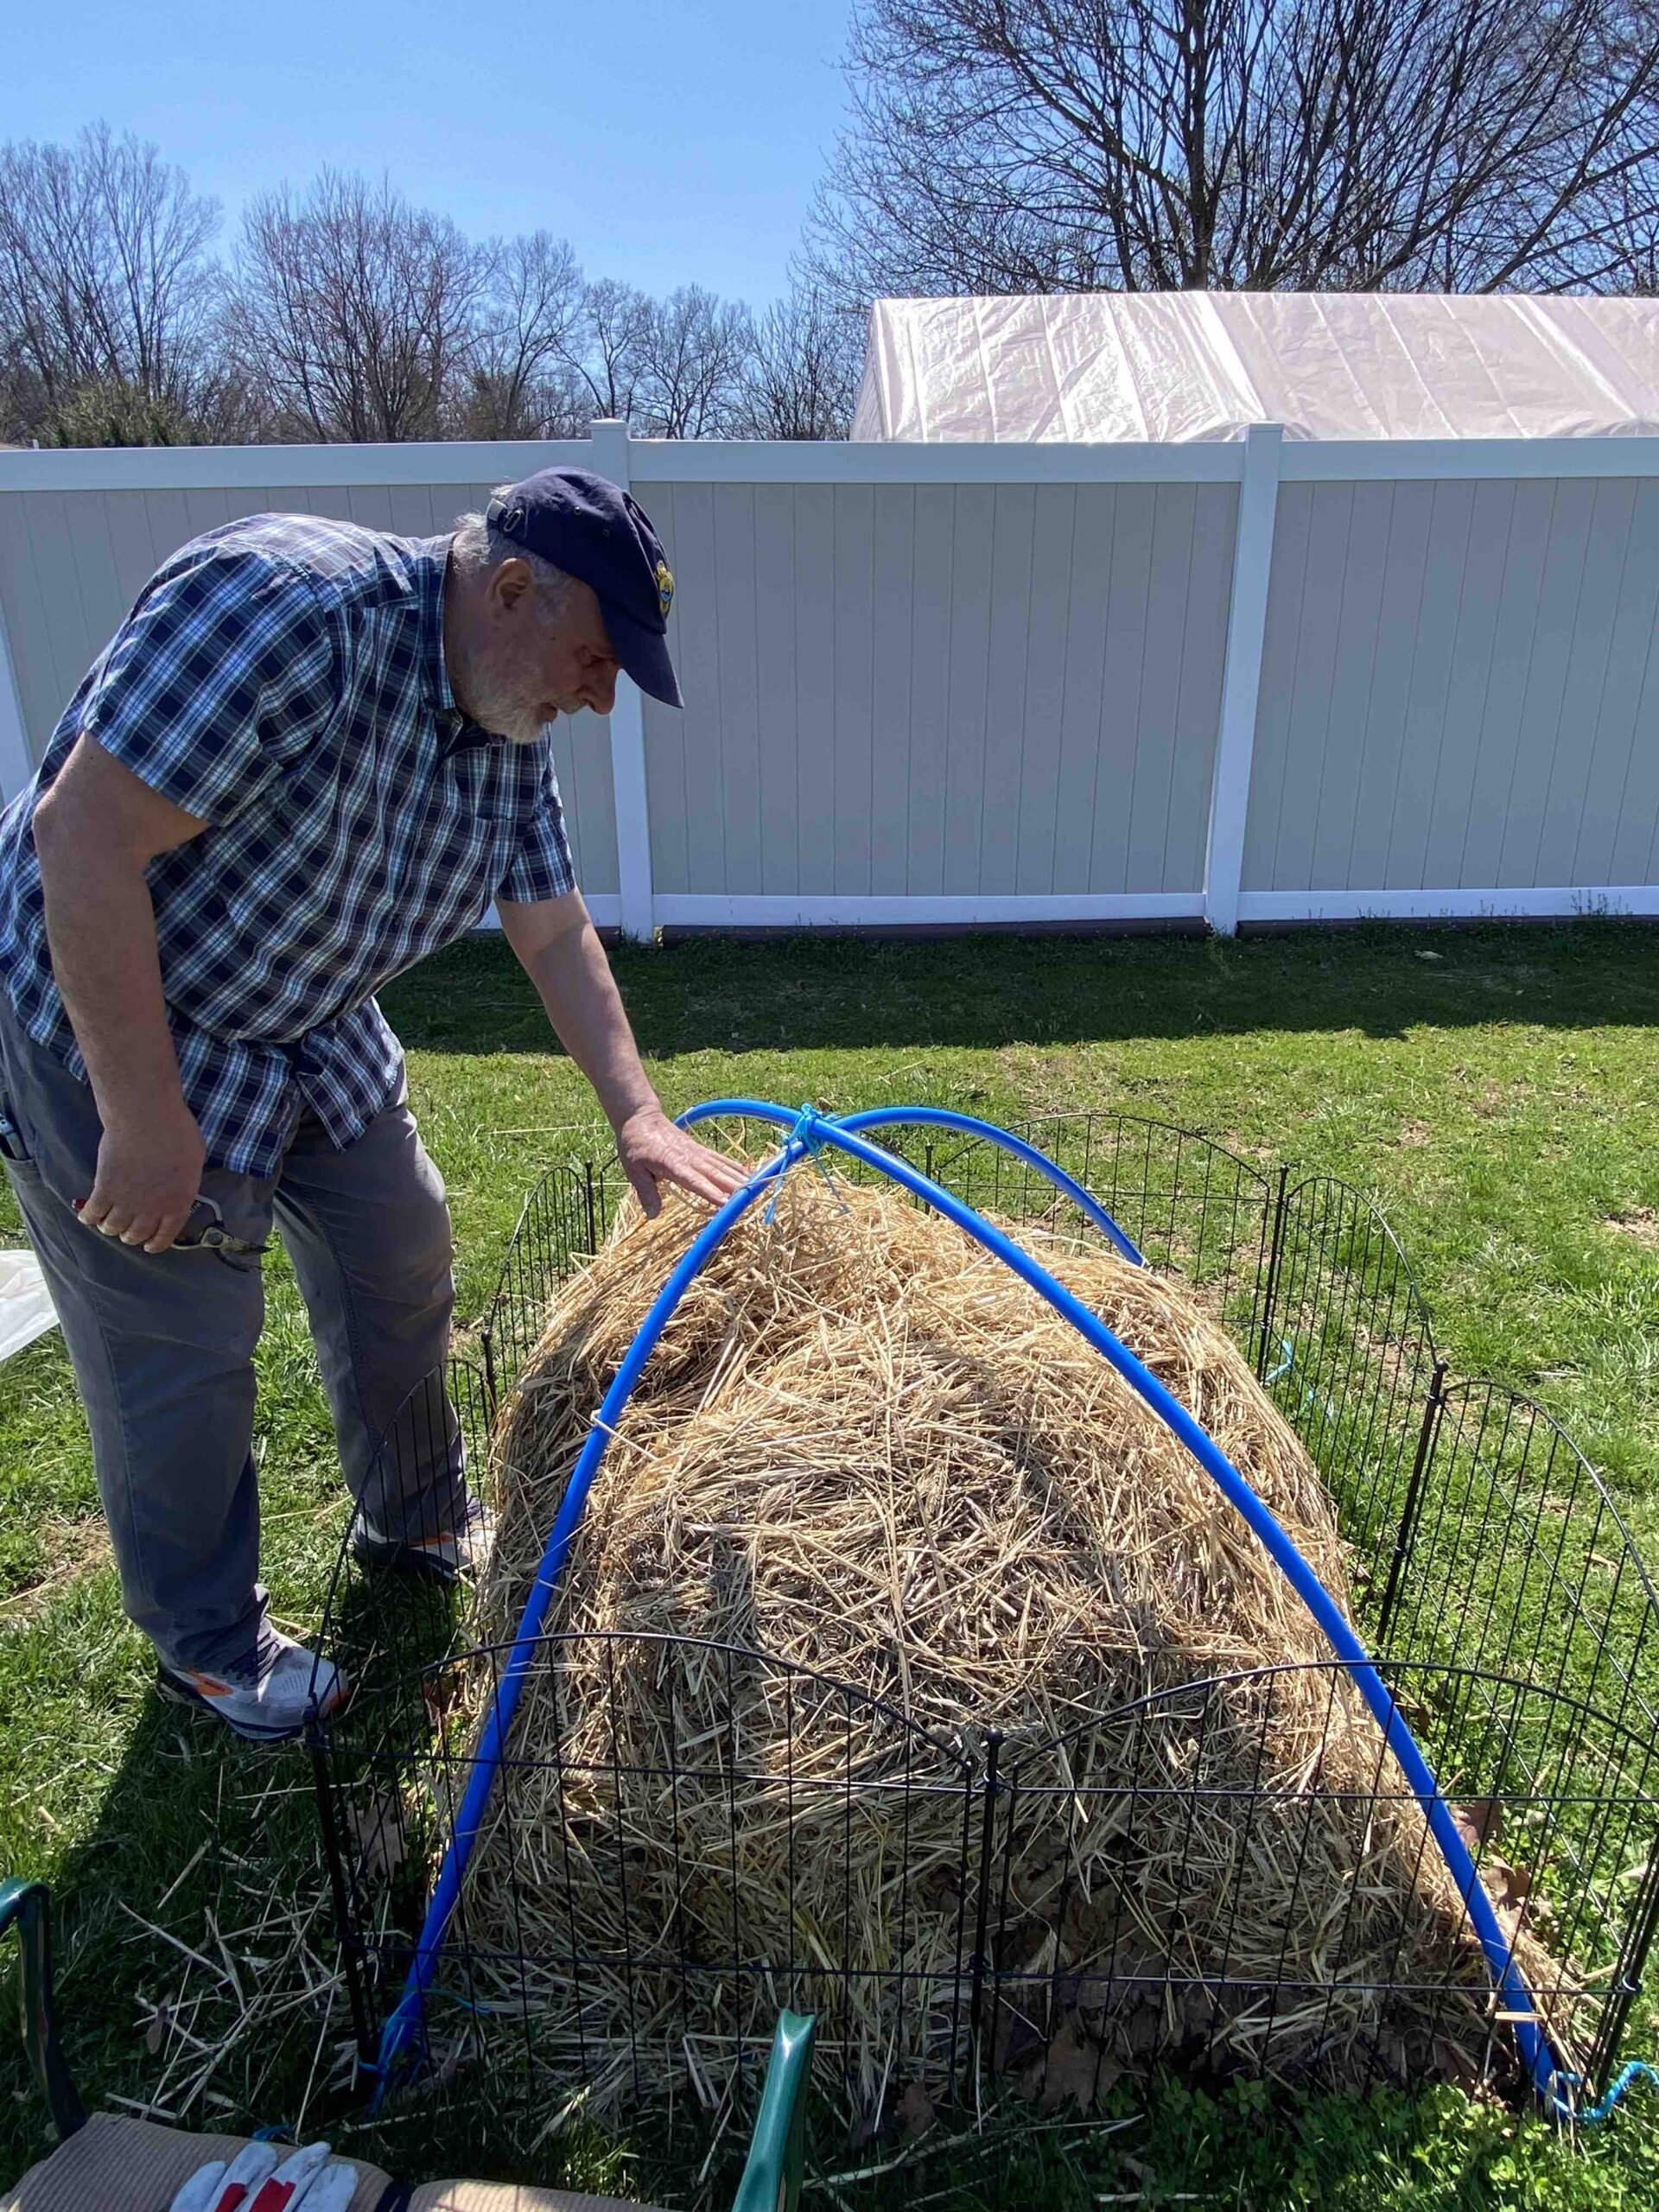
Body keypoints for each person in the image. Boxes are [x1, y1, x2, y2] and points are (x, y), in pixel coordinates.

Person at [0, 467, 747, 1741]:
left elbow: (555, 930)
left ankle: (418, 1514)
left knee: (400, 1241)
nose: (599, 696)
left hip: (307, 1008)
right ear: (509, 589)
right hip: (118, 1012)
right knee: (177, 1339)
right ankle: (208, 1641)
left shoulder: (507, 727)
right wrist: (142, 1113)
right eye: (595, 656)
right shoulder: (285, 610)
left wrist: (638, 1113)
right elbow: (81, 836)